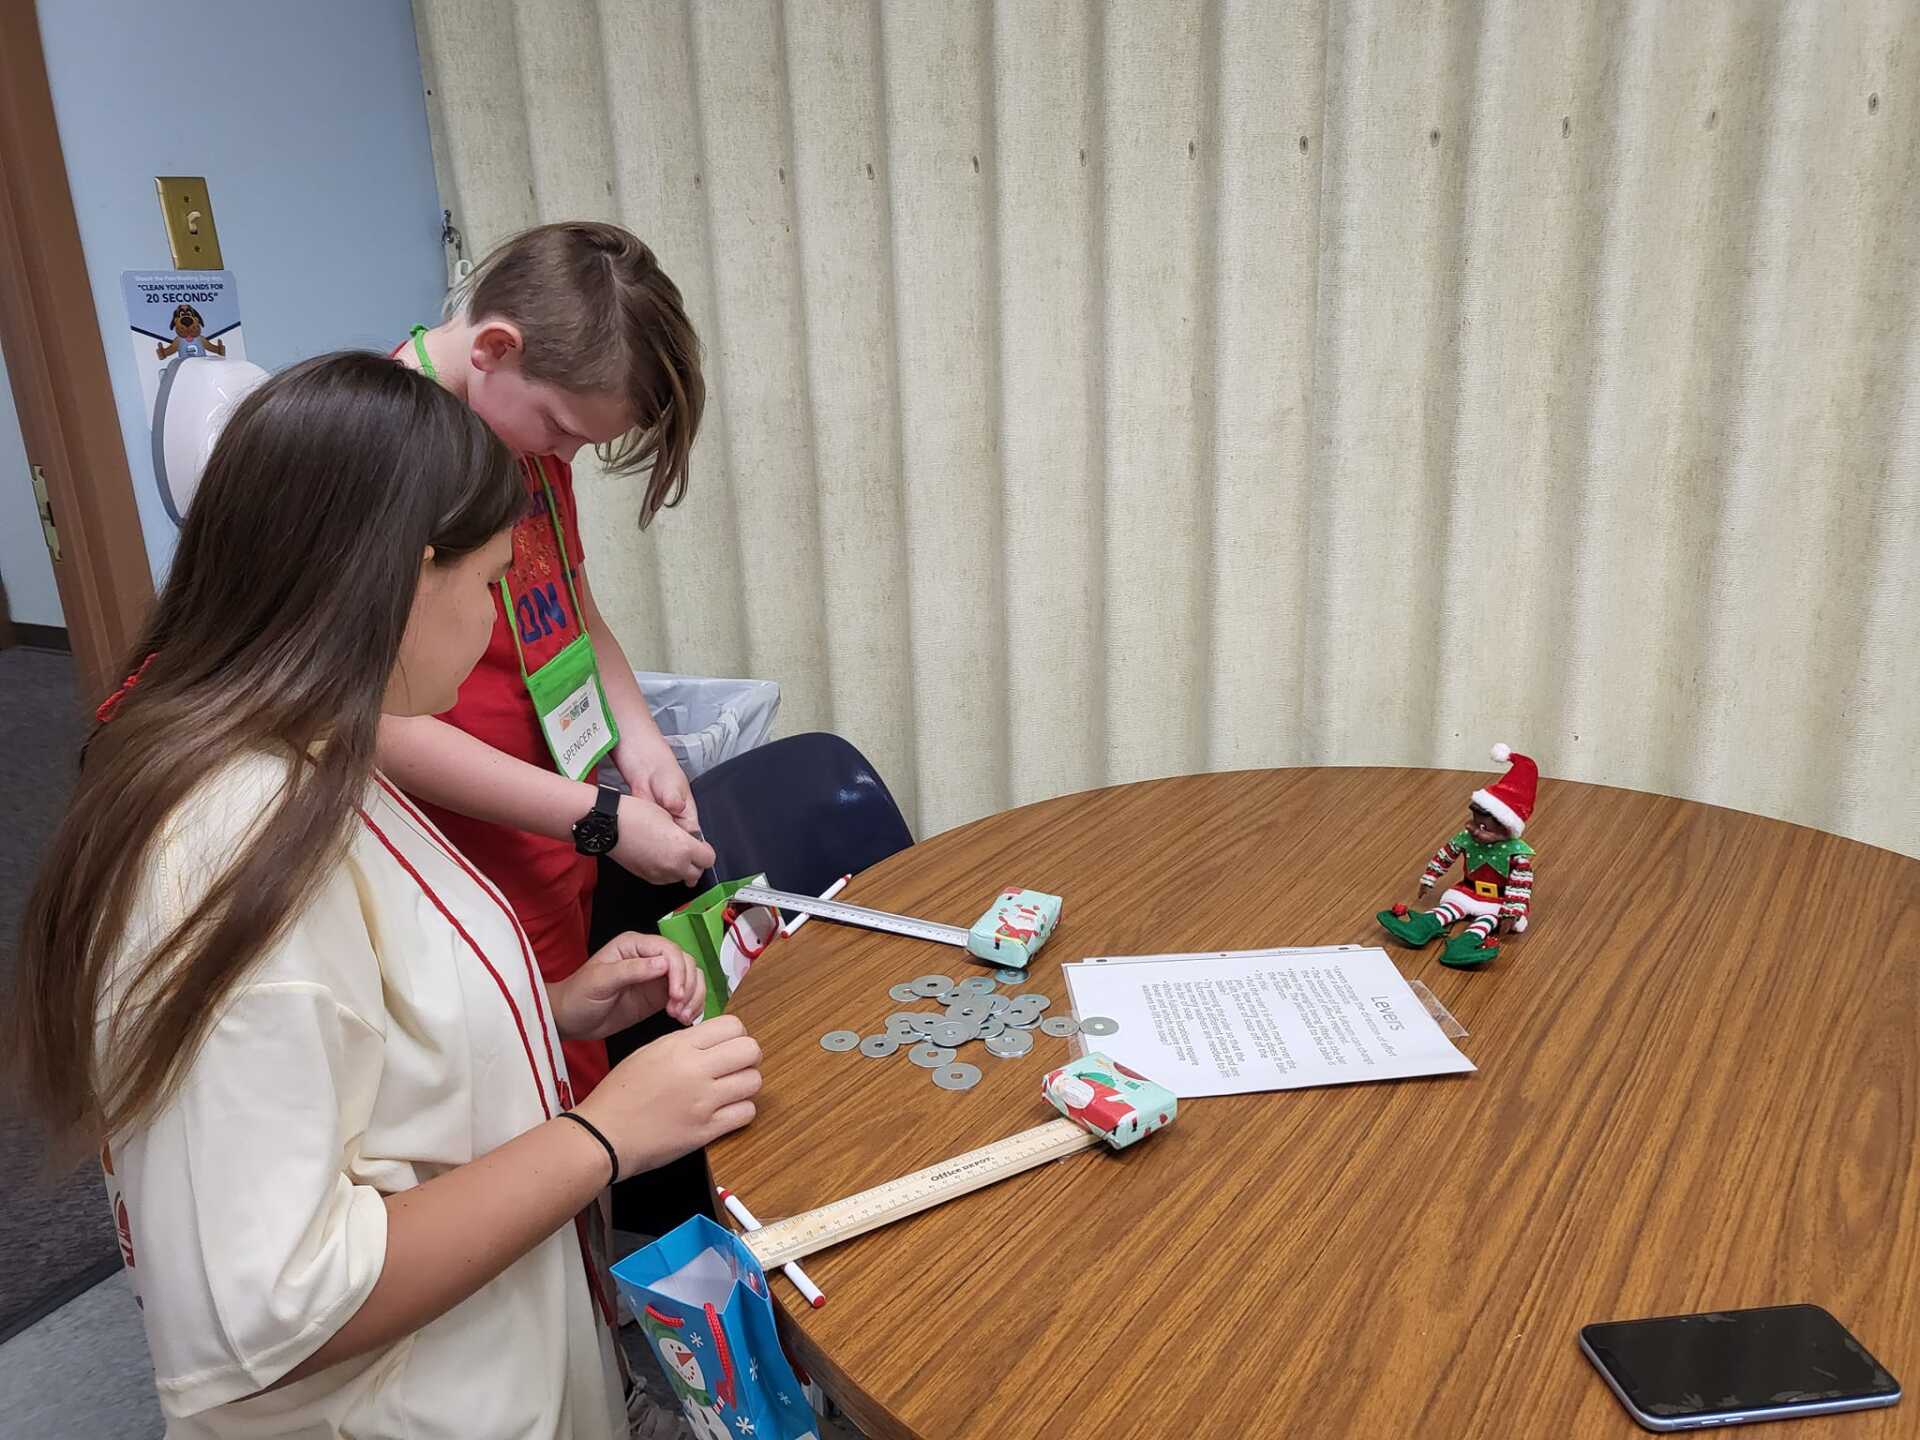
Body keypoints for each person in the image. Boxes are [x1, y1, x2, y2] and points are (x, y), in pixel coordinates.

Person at [8, 353, 761, 1438]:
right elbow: (281, 1307)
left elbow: (348, 1060)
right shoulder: (224, 855)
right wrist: (603, 1138)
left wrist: (551, 1008)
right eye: (490, 581)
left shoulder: (321, 747)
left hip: (496, 1355)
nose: (499, 618)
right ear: (406, 575)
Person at [382, 221, 715, 1106]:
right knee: (504, 1100)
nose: (561, 463)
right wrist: (598, 819)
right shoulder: (385, 459)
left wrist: (639, 747)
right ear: (495, 348)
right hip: (462, 847)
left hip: (553, 827)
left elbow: (567, 599)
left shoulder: (520, 428)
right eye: (565, 433)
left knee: (570, 1068)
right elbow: (369, 726)